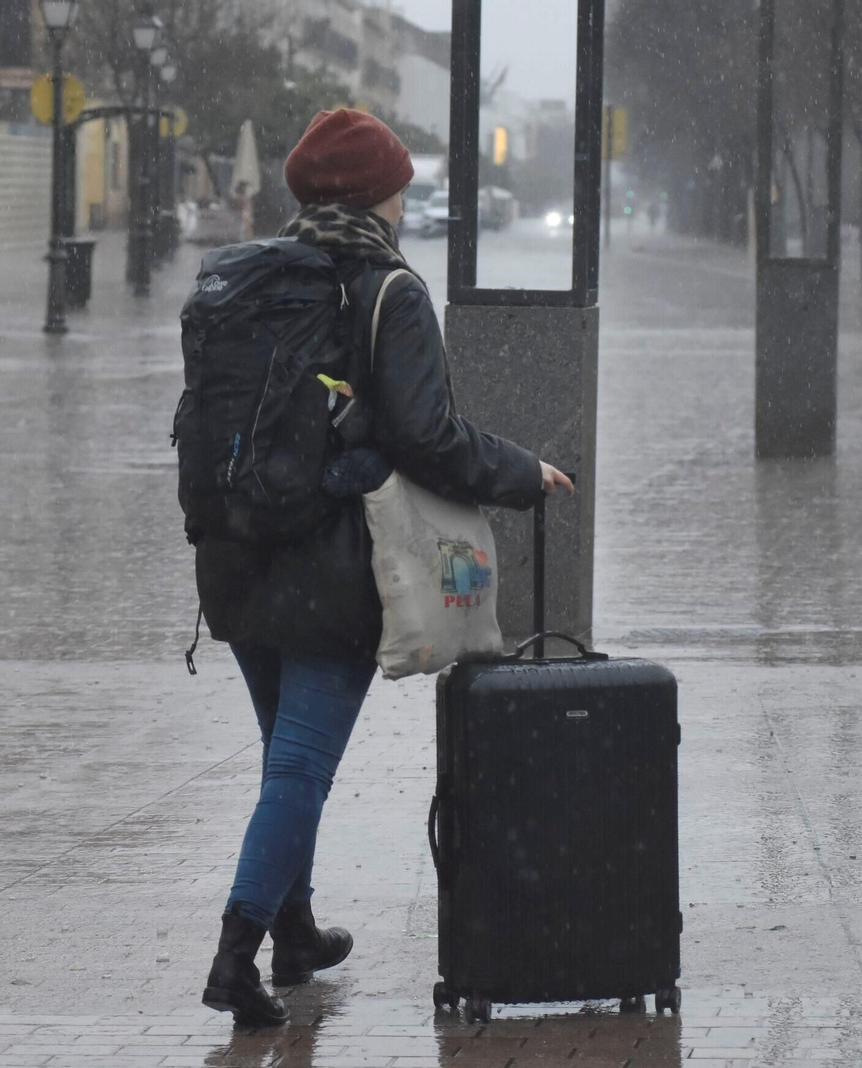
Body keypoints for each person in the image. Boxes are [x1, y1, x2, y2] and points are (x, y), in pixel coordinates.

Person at [196, 108, 575, 1028]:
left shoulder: (248, 281)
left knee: (285, 759)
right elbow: (428, 436)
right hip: (329, 560)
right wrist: (524, 472)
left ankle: (294, 932)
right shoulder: (384, 289)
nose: (408, 195)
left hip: (236, 553)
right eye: (400, 181)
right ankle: (236, 958)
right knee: (301, 769)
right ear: (379, 194)